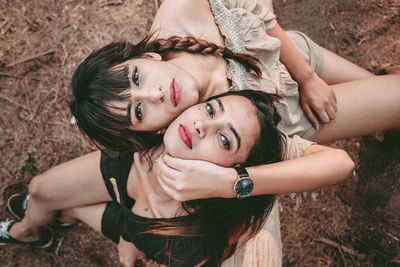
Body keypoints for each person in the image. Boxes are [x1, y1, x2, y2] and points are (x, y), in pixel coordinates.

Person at [1, 90, 354, 266]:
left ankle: (60, 219)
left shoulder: (194, 236)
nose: (201, 123)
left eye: (224, 139)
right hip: (121, 175)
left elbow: (340, 164)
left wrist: (230, 185)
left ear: (233, 166)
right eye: (212, 109)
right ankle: (32, 230)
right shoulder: (166, 116)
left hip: (139, 226)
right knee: (40, 190)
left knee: (92, 218)